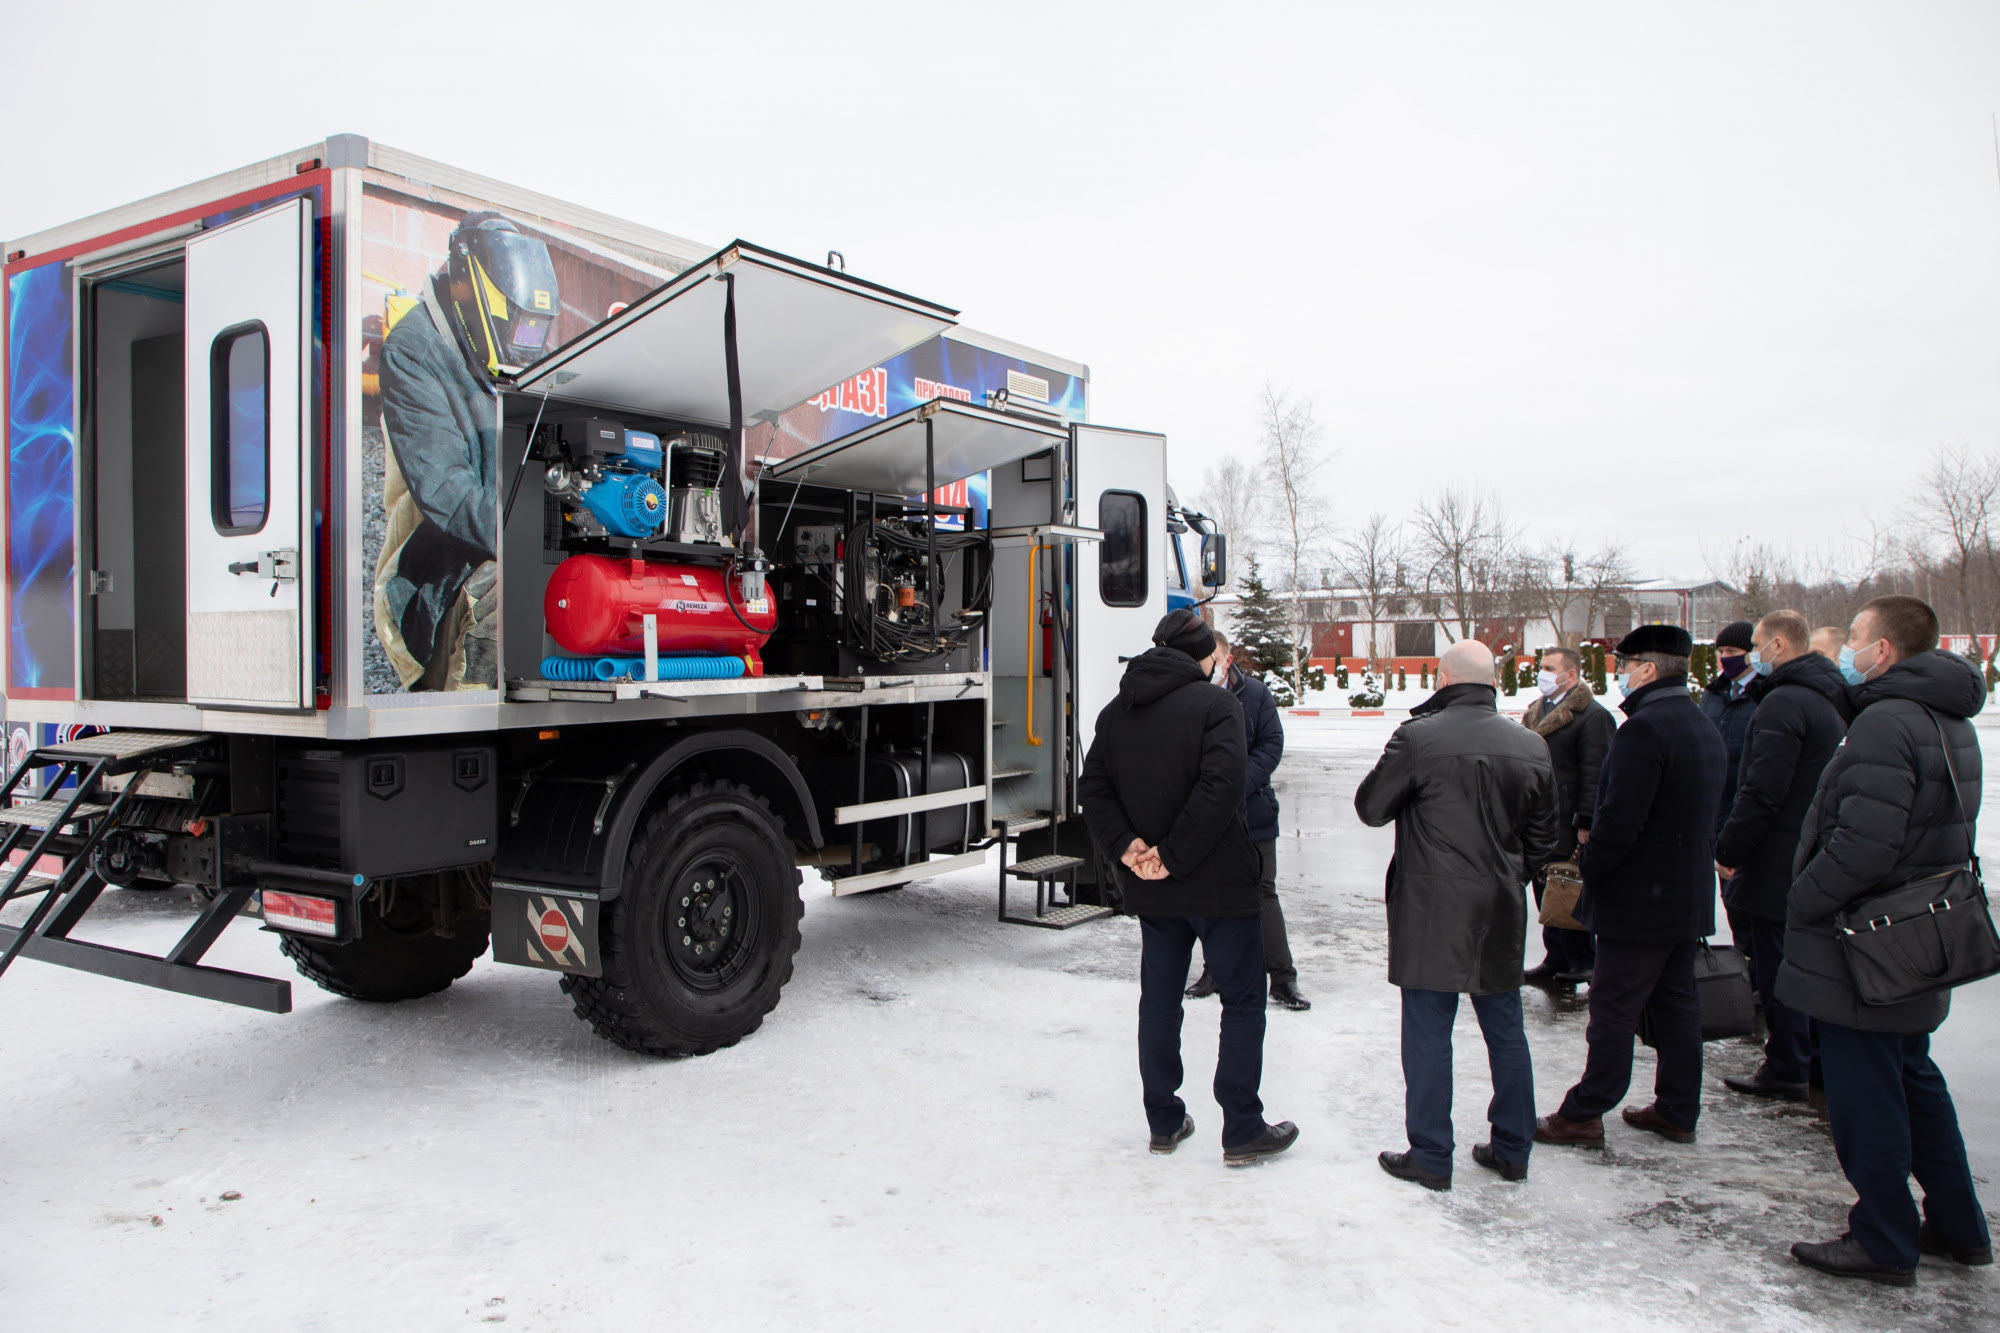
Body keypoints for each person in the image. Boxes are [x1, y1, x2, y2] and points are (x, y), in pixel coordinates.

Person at [1781, 596, 1992, 1286]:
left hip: (1865, 944)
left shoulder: (1885, 722)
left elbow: (1864, 845)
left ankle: (1884, 1236)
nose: (1847, 653)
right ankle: (1959, 1226)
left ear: (1887, 651)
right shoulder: (1947, 717)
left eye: (1857, 641)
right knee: (1914, 1077)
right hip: (1915, 935)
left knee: (1864, 1097)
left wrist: (1804, 900)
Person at [1078, 608, 1299, 1167]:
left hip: (1154, 889)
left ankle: (1164, 1120)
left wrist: (1131, 849)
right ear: (1206, 656)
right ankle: (1243, 1128)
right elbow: (1221, 788)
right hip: (1219, 882)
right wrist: (1172, 857)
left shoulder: (1117, 711)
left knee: (1159, 1000)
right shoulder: (1217, 705)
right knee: (1244, 1000)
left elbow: (1094, 788)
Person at [1355, 641, 1559, 1189]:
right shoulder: (1531, 745)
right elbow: (1545, 841)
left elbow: (1371, 808)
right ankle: (1514, 1147)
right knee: (1505, 1028)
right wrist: (1506, 874)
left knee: (1427, 1032)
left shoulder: (1419, 738)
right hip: (1498, 904)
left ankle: (1431, 1154)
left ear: (1444, 678)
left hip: (1429, 906)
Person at [1536, 624, 1725, 1149]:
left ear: (1647, 668)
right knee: (1676, 1004)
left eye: (1625, 664)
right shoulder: (1699, 721)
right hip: (1683, 895)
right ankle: (1677, 1107)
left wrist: (1591, 868)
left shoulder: (1645, 729)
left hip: (1638, 900)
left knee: (1614, 1008)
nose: (1619, 674)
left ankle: (1585, 1110)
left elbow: (1618, 821)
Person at [376, 212, 561, 690]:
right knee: (510, 589)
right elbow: (449, 492)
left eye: (532, 330)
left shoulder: (508, 354)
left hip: (502, 548)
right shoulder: (414, 351)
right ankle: (479, 726)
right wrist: (536, 539)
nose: (524, 341)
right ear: (467, 287)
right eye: (515, 324)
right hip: (437, 577)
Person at [1714, 610, 1850, 1101]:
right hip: (1812, 848)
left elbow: (1763, 789)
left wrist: (1730, 848)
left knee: (1778, 967)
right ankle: (1810, 1058)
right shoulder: (1829, 695)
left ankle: (1787, 1062)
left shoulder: (1783, 703)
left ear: (1777, 644)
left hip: (1778, 856)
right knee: (1806, 963)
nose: (1750, 655)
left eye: (1755, 645)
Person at [1185, 630, 1308, 1010]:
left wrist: (1236, 784)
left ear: (1227, 656)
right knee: (1209, 895)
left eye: (1216, 657)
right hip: (1207, 815)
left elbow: (1272, 744)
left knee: (1262, 894)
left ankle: (1283, 978)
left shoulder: (1254, 694)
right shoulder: (1192, 694)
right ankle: (1215, 972)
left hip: (1252, 812)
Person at [1520, 647, 1616, 987]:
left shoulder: (1592, 716)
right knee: (1546, 890)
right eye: (1541, 666)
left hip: (1569, 819)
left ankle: (1583, 959)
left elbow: (1597, 774)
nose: (1541, 673)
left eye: (1549, 668)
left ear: (1571, 675)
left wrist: (1586, 821)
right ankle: (1555, 956)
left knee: (1569, 889)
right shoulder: (1537, 711)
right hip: (1539, 818)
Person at [1700, 620, 1760, 952]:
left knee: (1755, 904)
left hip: (1748, 808)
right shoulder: (1714, 694)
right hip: (1716, 811)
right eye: (1721, 651)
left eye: (1733, 652)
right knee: (1732, 903)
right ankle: (1746, 969)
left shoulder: (1764, 693)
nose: (1725, 658)